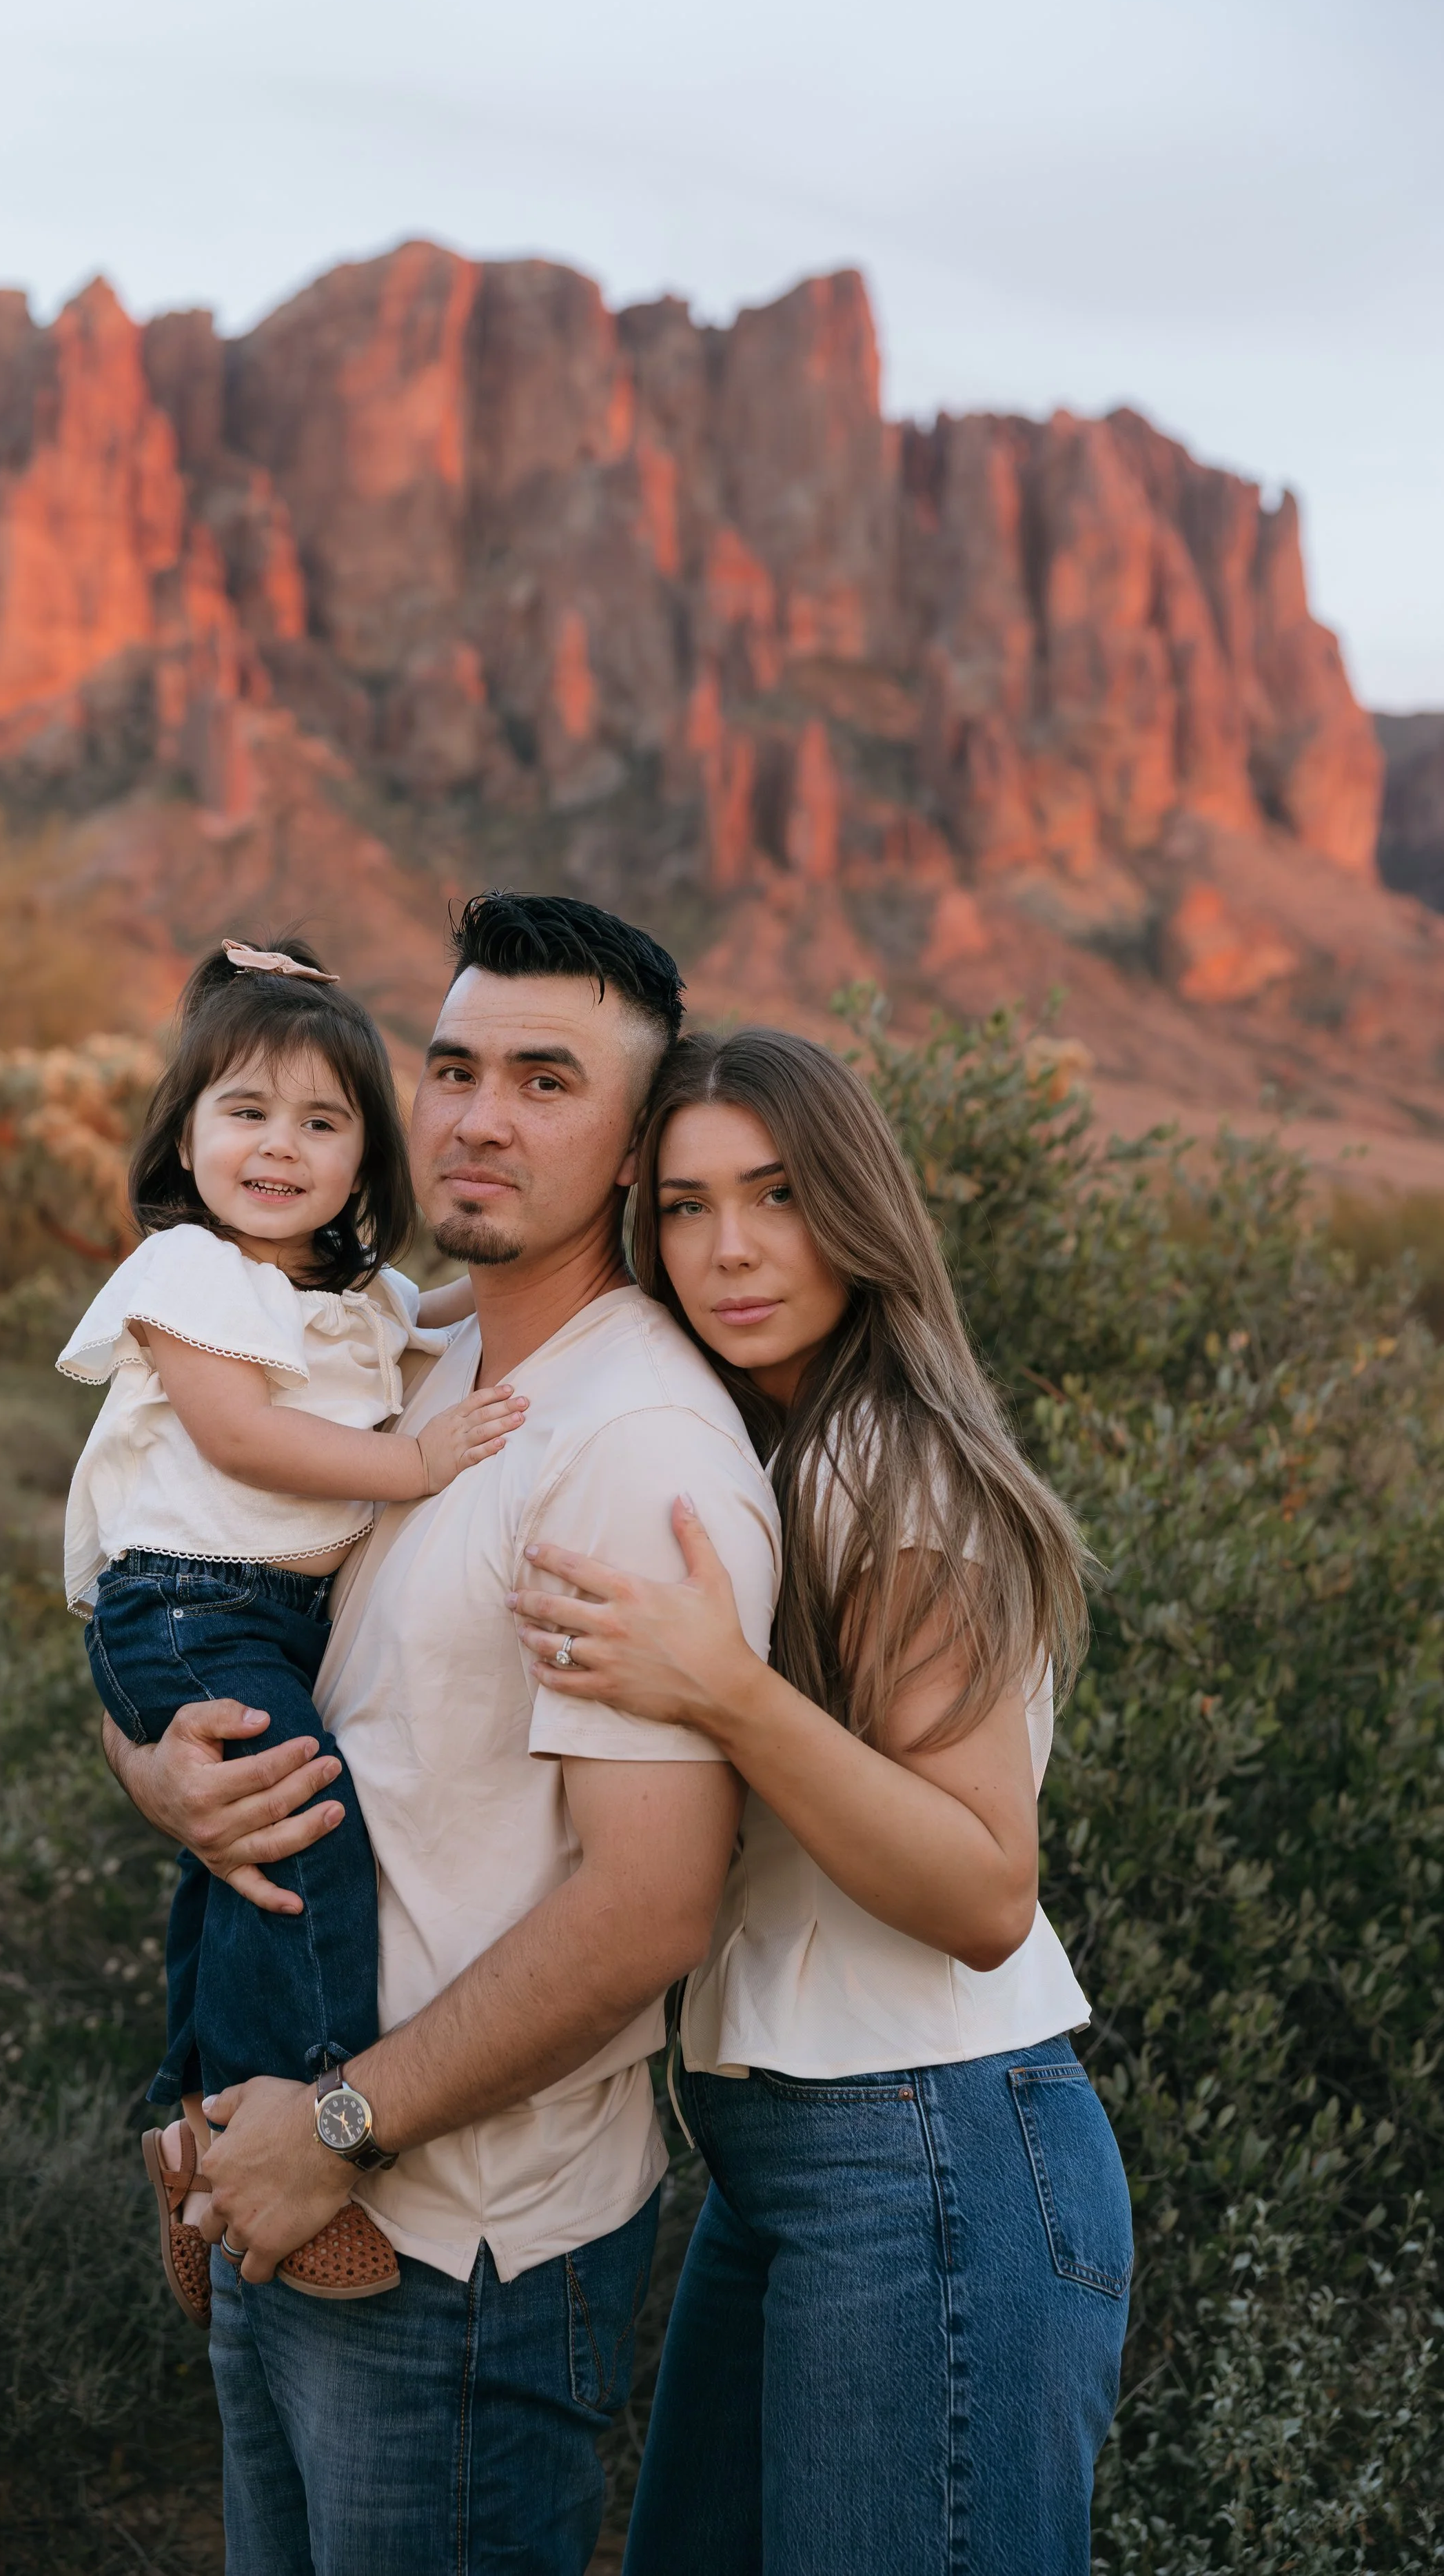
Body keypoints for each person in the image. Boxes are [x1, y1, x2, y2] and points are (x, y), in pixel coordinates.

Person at [99, 894, 782, 2576]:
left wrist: (338, 2131)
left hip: (452, 2249)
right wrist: (155, 1774)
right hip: (274, 2184)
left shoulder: (634, 1449)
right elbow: (200, 1591)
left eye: (546, 1081)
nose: (477, 1116)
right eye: (455, 1065)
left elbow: (647, 1908)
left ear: (634, 1149)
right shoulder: (401, 1351)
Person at [510, 1025, 1132, 2576]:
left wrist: (722, 1688)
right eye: (681, 1204)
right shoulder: (764, 1448)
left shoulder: (889, 1469)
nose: (727, 1250)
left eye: (776, 1196)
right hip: (797, 2157)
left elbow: (985, 1888)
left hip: (927, 2147)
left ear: (851, 1208)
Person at [58, 934, 521, 2323]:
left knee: (230, 1864)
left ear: (363, 1155)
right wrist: (421, 1466)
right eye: (244, 1113)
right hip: (186, 1606)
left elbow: (440, 1307)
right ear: (185, 1133)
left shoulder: (342, 1299)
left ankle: (185, 2129)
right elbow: (243, 1438)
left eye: (322, 1121)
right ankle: (292, 2111)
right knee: (301, 1830)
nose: (280, 1146)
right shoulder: (191, 1275)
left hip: (252, 1616)